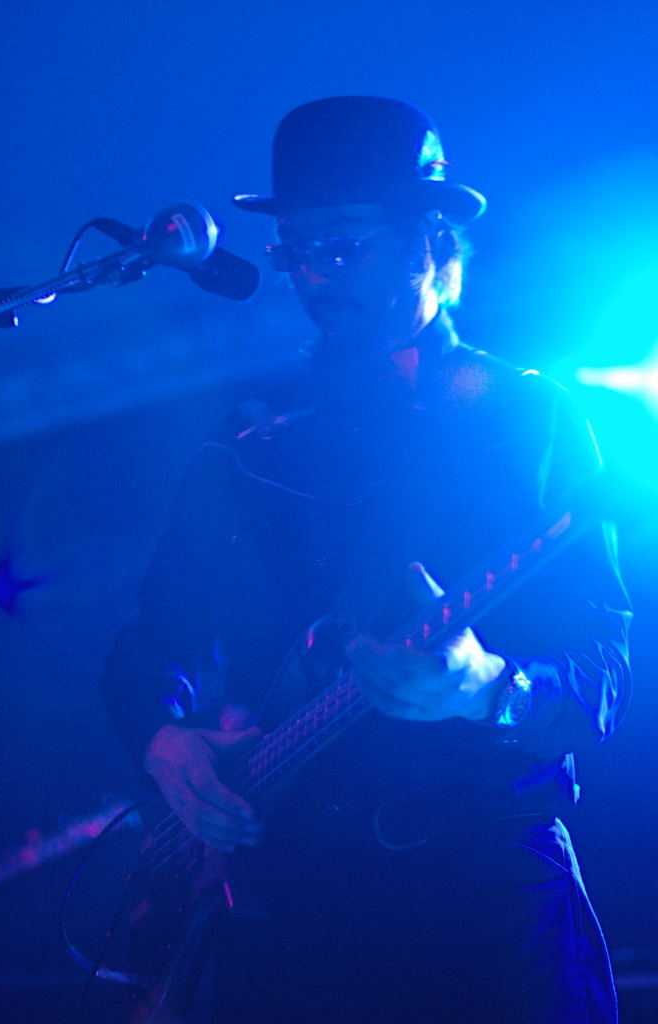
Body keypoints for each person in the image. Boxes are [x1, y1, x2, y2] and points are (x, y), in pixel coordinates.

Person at [102, 97, 631, 1022]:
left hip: (481, 907)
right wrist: (167, 743)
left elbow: (602, 672)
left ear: (432, 241)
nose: (312, 275)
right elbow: (150, 647)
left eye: (342, 246)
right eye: (294, 251)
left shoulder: (526, 417)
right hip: (286, 924)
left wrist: (487, 688)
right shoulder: (249, 442)